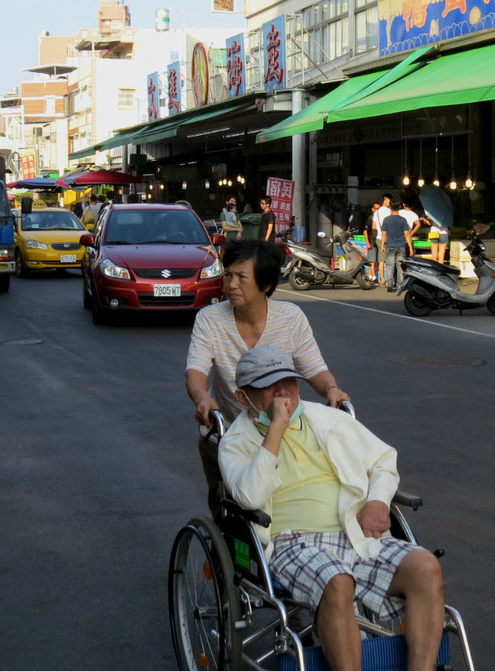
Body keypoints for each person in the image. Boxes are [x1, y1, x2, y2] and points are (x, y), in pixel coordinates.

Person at [219, 345, 445, 671]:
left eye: (289, 382)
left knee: (426, 567)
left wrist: (378, 501)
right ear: (243, 398)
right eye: (270, 386)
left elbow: (382, 460)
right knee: (337, 580)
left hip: (352, 532)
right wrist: (276, 429)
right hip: (291, 543)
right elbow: (250, 497)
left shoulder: (328, 420)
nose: (285, 393)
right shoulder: (236, 442)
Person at [185, 240, 350, 518]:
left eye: (241, 277)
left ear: (265, 286)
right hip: (226, 435)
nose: (231, 284)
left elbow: (314, 369)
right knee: (229, 516)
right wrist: (203, 399)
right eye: (228, 275)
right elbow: (196, 371)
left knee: (287, 508)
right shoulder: (209, 319)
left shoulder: (291, 318)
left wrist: (332, 389)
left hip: (280, 434)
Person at [379, 202, 412, 293]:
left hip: (390, 245)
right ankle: (399, 284)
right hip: (401, 245)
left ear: (390, 208)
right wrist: (410, 246)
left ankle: (390, 283)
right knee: (400, 266)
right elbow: (407, 234)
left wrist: (382, 245)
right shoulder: (403, 220)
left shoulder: (387, 220)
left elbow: (384, 233)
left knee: (390, 265)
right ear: (399, 208)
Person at [372, 193, 394, 275]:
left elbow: (373, 227)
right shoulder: (389, 211)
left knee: (381, 260)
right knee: (390, 260)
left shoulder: (376, 212)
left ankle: (382, 278)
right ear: (386, 200)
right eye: (390, 201)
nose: (390, 203)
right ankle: (389, 277)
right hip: (388, 238)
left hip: (379, 237)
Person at [364, 203, 381, 282]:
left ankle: (373, 275)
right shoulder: (370, 218)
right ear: (373, 209)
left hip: (380, 240)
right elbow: (365, 231)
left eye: (379, 208)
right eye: (376, 208)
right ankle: (372, 275)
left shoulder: (381, 218)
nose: (378, 210)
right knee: (372, 259)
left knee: (379, 260)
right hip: (372, 240)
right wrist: (367, 242)